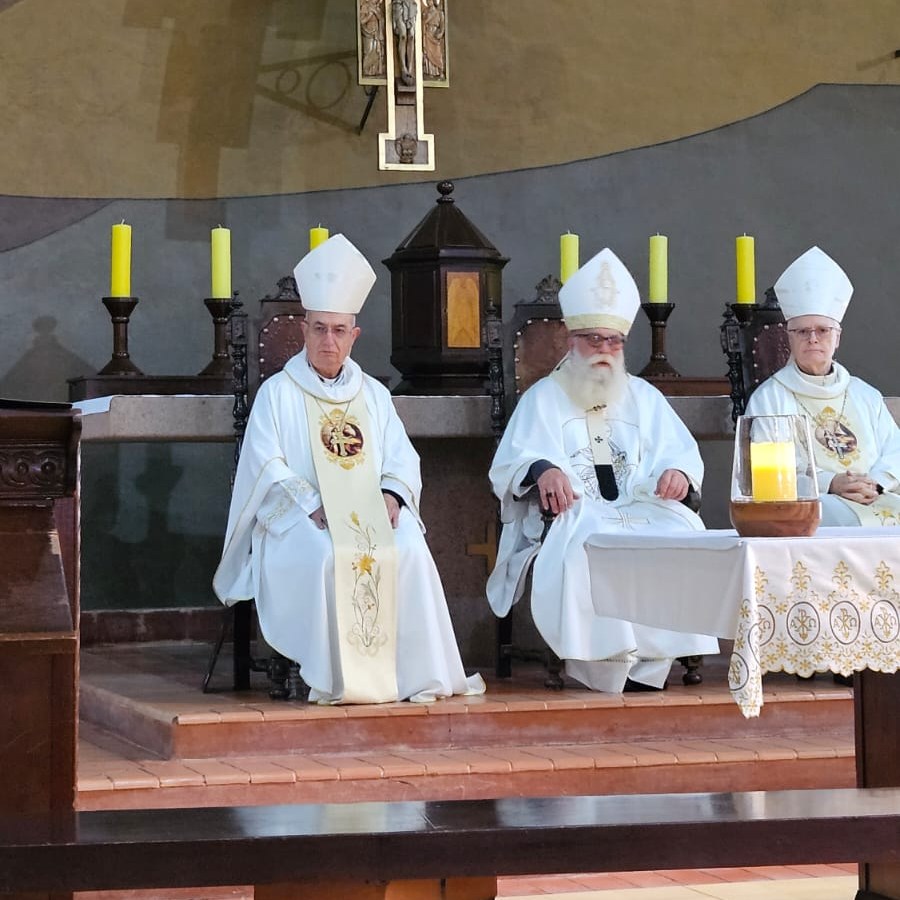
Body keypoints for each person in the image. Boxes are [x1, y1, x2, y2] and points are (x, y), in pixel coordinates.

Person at [213, 234, 484, 704]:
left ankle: (412, 675)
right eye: (319, 329)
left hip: (369, 515)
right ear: (304, 331)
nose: (328, 341)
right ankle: (335, 676)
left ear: (354, 336)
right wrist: (311, 504)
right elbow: (265, 466)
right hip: (302, 519)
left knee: (411, 549)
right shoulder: (278, 394)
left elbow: (401, 457)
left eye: (339, 330)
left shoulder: (373, 395)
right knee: (326, 556)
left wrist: (393, 495)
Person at [488, 248, 719, 692]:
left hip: (641, 505)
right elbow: (514, 460)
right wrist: (543, 471)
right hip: (576, 510)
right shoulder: (543, 398)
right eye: (594, 339)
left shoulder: (644, 397)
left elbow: (679, 452)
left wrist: (678, 474)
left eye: (614, 341)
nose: (605, 350)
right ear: (570, 340)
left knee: (682, 530)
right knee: (584, 543)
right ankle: (599, 663)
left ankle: (653, 661)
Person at [746, 246, 900, 527]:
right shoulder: (769, 399)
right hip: (814, 500)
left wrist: (875, 484)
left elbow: (895, 451)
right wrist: (832, 482)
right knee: (835, 518)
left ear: (837, 338)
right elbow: (770, 471)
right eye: (802, 331)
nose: (813, 339)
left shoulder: (865, 395)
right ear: (789, 339)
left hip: (876, 494)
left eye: (822, 330)